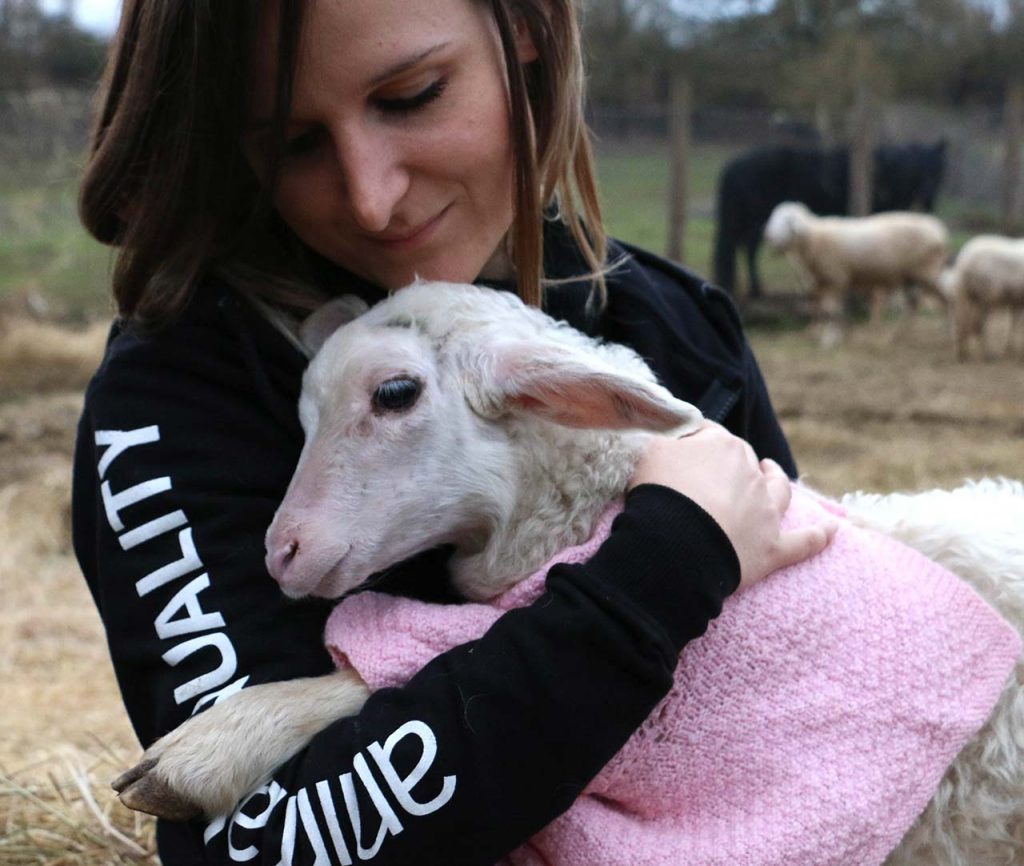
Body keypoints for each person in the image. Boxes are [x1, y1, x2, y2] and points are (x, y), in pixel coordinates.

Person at [71, 1, 834, 864]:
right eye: (293, 144)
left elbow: (810, 729)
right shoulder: (182, 402)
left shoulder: (676, 334)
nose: (372, 199)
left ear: (530, 31)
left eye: (413, 95)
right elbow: (264, 844)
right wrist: (659, 576)